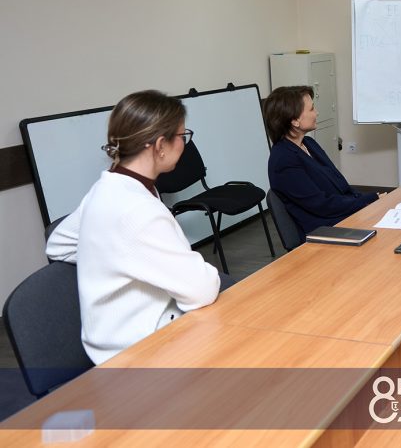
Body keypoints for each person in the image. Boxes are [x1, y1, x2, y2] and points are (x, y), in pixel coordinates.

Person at [45, 90, 222, 365]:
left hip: (124, 340)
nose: (184, 145)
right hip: (143, 353)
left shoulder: (107, 188)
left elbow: (58, 245)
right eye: (182, 136)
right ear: (160, 145)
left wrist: (115, 258)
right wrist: (121, 254)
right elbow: (202, 289)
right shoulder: (138, 211)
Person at [264, 86, 379, 234]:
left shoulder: (309, 144)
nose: (317, 113)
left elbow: (341, 185)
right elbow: (321, 205)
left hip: (340, 216)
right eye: (312, 109)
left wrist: (366, 200)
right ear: (295, 121)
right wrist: (366, 200)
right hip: (324, 229)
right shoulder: (283, 160)